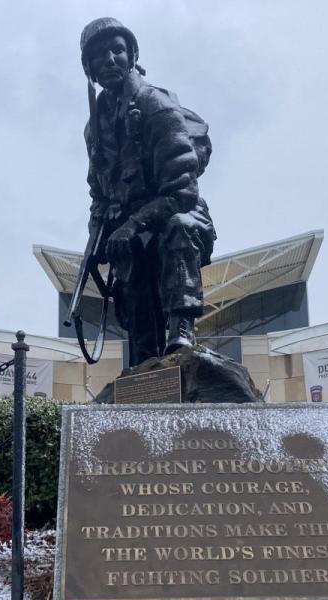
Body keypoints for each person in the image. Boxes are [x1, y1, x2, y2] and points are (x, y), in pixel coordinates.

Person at [80, 17, 217, 366]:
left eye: (117, 50)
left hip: (173, 214)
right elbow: (99, 192)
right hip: (130, 233)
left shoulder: (156, 106)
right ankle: (145, 371)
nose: (109, 59)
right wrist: (96, 239)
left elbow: (182, 190)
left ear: (132, 55)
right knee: (134, 299)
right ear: (89, 69)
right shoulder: (94, 129)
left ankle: (181, 332)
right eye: (99, 56)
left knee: (178, 228)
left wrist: (133, 224)